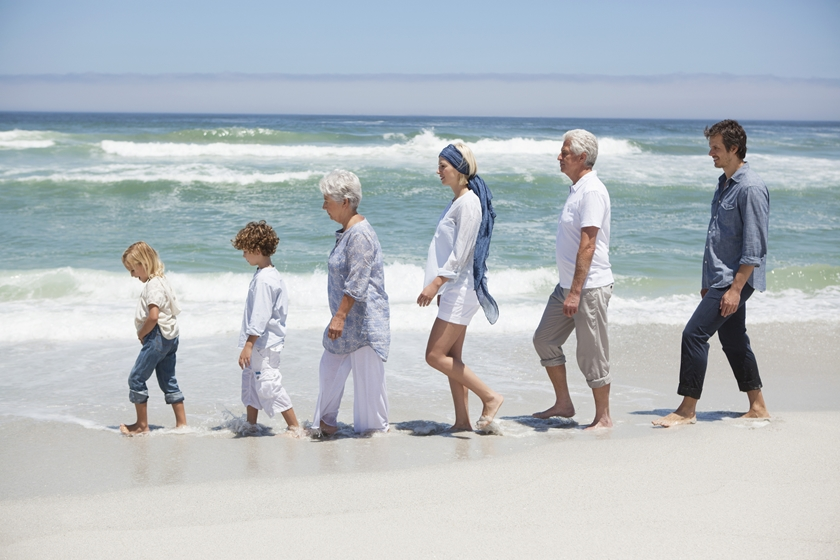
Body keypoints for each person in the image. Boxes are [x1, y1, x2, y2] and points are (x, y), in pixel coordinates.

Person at [654, 120, 770, 427]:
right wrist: (708, 283)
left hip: (734, 280)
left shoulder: (751, 187)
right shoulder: (724, 183)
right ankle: (758, 406)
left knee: (694, 335)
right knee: (733, 340)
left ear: (734, 149)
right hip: (720, 279)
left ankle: (687, 409)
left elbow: (754, 246)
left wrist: (734, 289)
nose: (710, 153)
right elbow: (718, 238)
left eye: (716, 147)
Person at [417, 143, 503, 433]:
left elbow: (462, 253)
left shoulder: (468, 203)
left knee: (434, 356)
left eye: (443, 166)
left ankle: (490, 397)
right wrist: (442, 288)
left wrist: (435, 284)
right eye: (438, 165)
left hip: (462, 288)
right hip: (455, 288)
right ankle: (462, 422)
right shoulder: (458, 201)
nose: (438, 171)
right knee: (451, 358)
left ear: (460, 169)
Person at [532, 129, 614, 430]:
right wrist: (569, 290)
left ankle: (603, 417)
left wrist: (576, 293)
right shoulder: (578, 188)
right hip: (567, 287)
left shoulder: (591, 191)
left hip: (588, 288)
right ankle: (564, 404)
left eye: (564, 153)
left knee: (592, 353)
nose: (559, 157)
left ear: (582, 157)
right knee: (544, 340)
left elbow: (588, 244)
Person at [313, 170, 390, 436]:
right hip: (348, 324)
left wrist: (339, 316)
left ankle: (375, 444)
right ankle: (326, 425)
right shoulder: (348, 231)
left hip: (364, 324)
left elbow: (357, 282)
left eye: (327, 200)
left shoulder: (360, 234)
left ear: (345, 201)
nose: (324, 206)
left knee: (370, 397)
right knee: (329, 371)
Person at [231, 220, 301, 436]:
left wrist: (249, 345)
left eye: (245, 250)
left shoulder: (265, 280)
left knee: (268, 385)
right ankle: (251, 425)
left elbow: (260, 317)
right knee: (251, 383)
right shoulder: (267, 273)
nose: (243, 255)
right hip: (259, 343)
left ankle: (295, 426)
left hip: (264, 344)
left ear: (258, 250)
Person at [120, 241, 186, 435]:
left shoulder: (153, 285)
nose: (132, 275)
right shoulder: (162, 280)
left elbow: (153, 316)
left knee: (136, 378)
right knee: (168, 380)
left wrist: (142, 333)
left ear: (144, 264)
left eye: (133, 270)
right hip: (171, 336)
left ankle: (141, 425)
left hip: (157, 337)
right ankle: (182, 425)